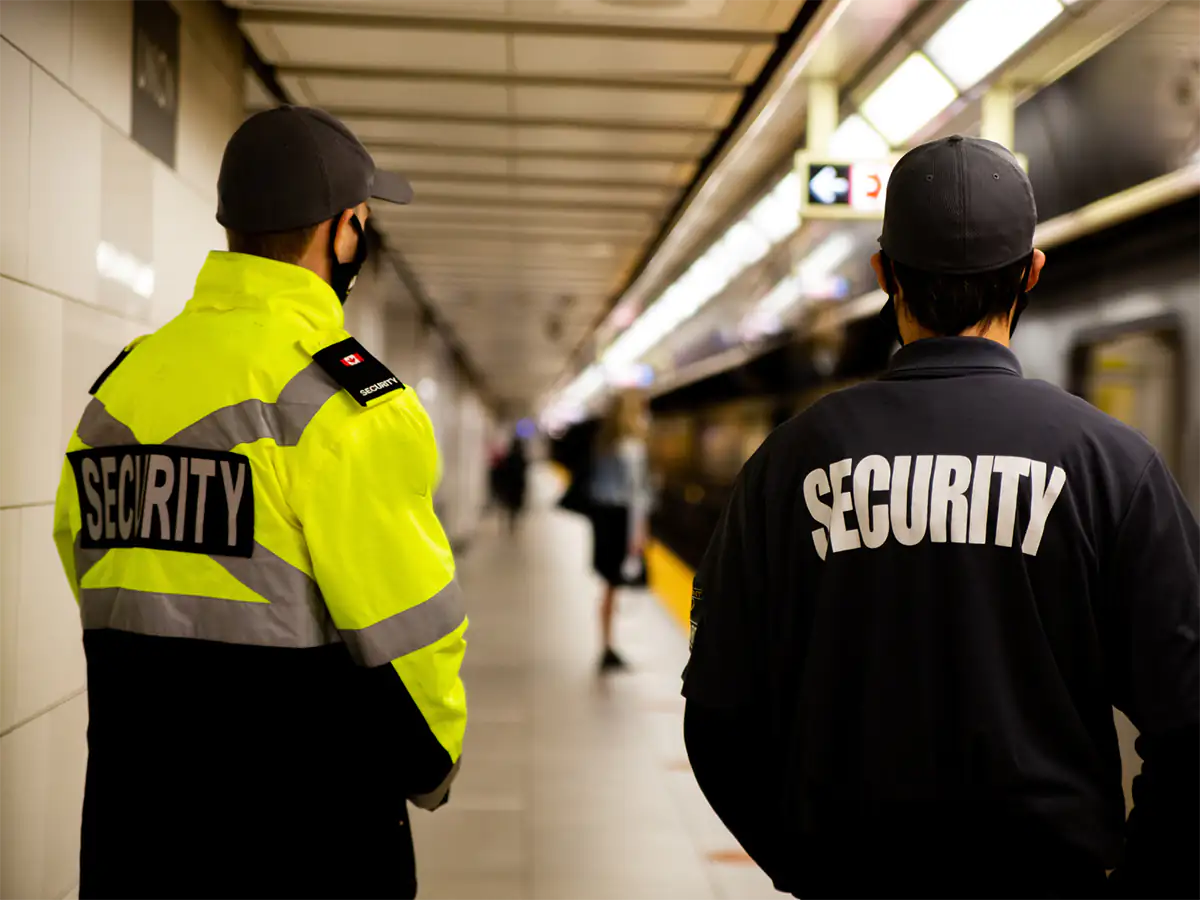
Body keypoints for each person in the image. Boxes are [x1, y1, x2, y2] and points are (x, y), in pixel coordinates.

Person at [682, 135, 1200, 898]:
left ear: (884, 274)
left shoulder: (791, 462)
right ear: (1032, 272)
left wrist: (804, 865)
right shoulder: (1113, 464)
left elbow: (717, 715)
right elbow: (1189, 723)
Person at [52, 106, 468, 899]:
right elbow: (410, 633)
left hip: (131, 833)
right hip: (303, 840)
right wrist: (432, 765)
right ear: (344, 234)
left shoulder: (124, 386)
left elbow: (84, 562)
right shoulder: (345, 407)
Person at [588, 390, 652, 672]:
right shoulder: (632, 447)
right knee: (613, 586)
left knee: (609, 587)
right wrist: (638, 533)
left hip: (603, 521)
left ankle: (607, 644)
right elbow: (637, 495)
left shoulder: (604, 445)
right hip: (621, 521)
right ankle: (607, 648)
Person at [494, 434, 529, 533]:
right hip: (517, 486)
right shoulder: (522, 458)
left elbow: (503, 471)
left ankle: (508, 523)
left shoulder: (508, 458)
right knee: (514, 506)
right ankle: (512, 522)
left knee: (508, 505)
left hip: (510, 486)